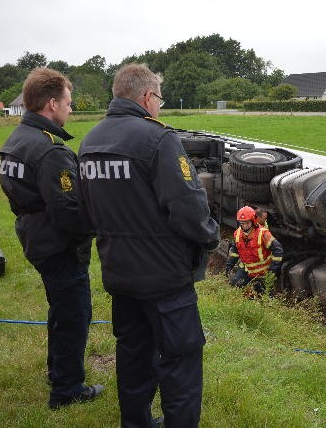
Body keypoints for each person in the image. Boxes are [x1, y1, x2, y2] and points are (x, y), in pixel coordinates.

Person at [78, 63, 219, 428]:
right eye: (159, 98)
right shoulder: (158, 139)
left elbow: (85, 208)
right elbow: (188, 205)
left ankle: (135, 422)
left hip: (119, 271)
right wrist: (210, 235)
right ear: (145, 97)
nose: (160, 106)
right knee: (181, 360)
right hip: (164, 276)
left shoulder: (90, 141)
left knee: (133, 353)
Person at [0, 67, 103, 409]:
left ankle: (57, 370)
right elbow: (69, 212)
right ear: (52, 103)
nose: (71, 110)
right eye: (69, 103)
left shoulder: (15, 140)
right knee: (74, 315)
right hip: (58, 247)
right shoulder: (50, 151)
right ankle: (67, 390)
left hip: (33, 237)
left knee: (60, 310)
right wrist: (97, 228)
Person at [226, 206, 283, 293]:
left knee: (265, 296)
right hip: (247, 270)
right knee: (236, 286)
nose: (244, 226)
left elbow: (278, 250)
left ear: (253, 221)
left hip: (263, 273)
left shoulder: (263, 233)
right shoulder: (237, 234)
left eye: (247, 223)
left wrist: (272, 271)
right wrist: (229, 265)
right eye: (242, 223)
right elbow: (235, 251)